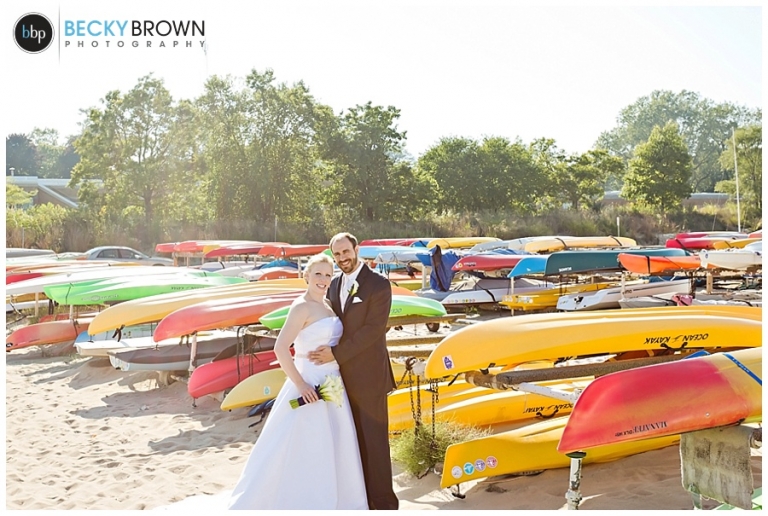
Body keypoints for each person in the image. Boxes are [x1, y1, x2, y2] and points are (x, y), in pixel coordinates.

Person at [227, 253, 368, 510]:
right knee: (305, 442)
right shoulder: (301, 307)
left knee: (335, 442)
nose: (323, 279)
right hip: (308, 380)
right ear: (307, 276)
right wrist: (302, 385)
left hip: (332, 381)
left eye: (328, 275)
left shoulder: (328, 305)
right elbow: (280, 348)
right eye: (318, 274)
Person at [309, 232, 399, 510]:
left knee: (375, 443)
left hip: (370, 377)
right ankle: (360, 500)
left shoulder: (379, 284)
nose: (342, 258)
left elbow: (373, 330)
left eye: (346, 252)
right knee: (351, 442)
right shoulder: (334, 284)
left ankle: (384, 504)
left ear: (356, 249)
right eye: (337, 254)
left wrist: (336, 353)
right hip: (340, 377)